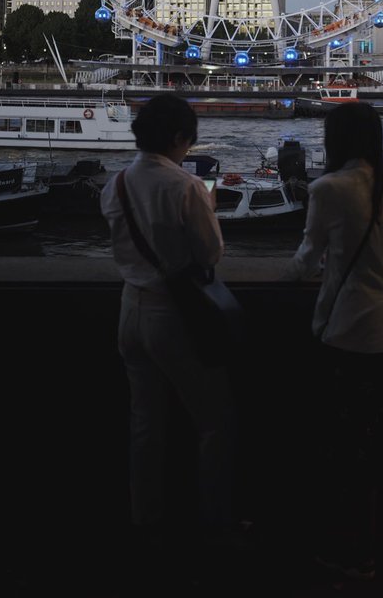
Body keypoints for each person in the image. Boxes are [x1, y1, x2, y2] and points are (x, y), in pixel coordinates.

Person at [285, 101, 383, 582]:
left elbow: (306, 260)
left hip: (358, 335)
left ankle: (355, 553)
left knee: (353, 450)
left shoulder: (328, 188)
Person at [100, 94, 237, 552]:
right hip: (174, 316)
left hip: (129, 308)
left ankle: (146, 517)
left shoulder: (114, 184)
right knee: (213, 420)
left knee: (144, 422)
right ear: (180, 139)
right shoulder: (185, 187)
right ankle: (215, 518)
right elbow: (210, 253)